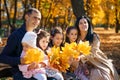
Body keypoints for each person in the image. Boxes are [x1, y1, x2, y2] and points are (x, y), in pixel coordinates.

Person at [0, 8, 56, 80]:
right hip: (20, 71)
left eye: (39, 19)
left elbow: (41, 54)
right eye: (34, 18)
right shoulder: (16, 35)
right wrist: (20, 60)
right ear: (26, 17)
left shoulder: (37, 35)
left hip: (37, 69)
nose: (37, 21)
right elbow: (2, 57)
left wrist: (41, 63)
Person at [74, 15, 119, 80]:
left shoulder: (94, 37)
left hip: (96, 61)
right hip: (83, 64)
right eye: (81, 23)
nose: (83, 24)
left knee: (103, 76)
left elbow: (93, 53)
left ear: (88, 24)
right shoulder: (76, 38)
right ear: (78, 26)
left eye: (85, 22)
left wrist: (81, 57)